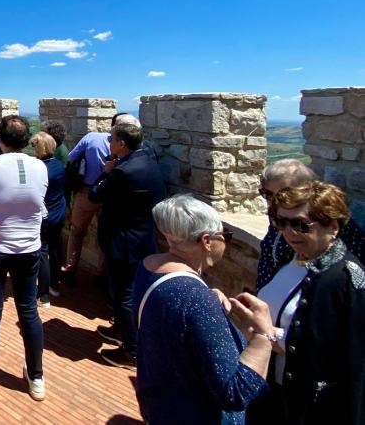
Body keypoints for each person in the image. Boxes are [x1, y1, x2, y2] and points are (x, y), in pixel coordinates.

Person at [135, 195, 274, 424]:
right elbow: (234, 393)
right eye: (224, 236)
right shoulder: (197, 299)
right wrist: (262, 338)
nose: (225, 242)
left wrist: (207, 295)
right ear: (207, 241)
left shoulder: (149, 267)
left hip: (161, 407)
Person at [251, 182, 365, 424]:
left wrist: (268, 333)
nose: (289, 232)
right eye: (281, 222)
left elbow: (352, 357)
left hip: (316, 409)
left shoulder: (347, 278)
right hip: (275, 394)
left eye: (300, 224)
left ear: (333, 226)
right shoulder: (289, 259)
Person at [0, 115, 48, 412]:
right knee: (29, 312)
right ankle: (36, 376)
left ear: (0, 139)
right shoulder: (40, 166)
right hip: (30, 249)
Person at [89, 121, 164, 369]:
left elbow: (95, 195)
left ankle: (131, 351)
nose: (108, 143)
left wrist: (107, 171)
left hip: (123, 242)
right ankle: (120, 329)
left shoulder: (123, 171)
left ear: (121, 143)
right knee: (126, 293)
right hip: (142, 237)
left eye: (111, 139)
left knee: (124, 295)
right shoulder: (148, 158)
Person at [255, 158, 365, 291]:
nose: (271, 200)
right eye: (266, 194)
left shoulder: (334, 225)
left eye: (280, 195)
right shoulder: (279, 217)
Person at [63, 113, 140, 278]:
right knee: (106, 234)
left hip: (87, 192)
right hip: (113, 195)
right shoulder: (135, 148)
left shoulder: (92, 137)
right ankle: (102, 273)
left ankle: (70, 269)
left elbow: (71, 157)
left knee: (77, 231)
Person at [31, 132, 66, 308]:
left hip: (44, 215)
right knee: (56, 247)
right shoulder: (60, 165)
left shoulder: (39, 168)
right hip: (59, 212)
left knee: (42, 252)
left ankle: (43, 295)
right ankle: (55, 285)